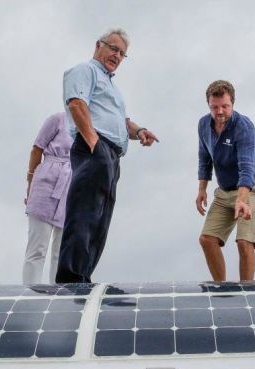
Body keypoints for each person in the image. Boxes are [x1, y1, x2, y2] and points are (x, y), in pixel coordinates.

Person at [56, 28, 159, 283]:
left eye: (122, 53)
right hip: (95, 149)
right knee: (84, 214)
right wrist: (93, 142)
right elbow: (76, 103)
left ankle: (84, 278)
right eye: (113, 48)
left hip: (112, 156)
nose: (117, 55)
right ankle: (70, 279)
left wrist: (141, 131)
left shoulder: (113, 88)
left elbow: (122, 122)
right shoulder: (85, 70)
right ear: (98, 45)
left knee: (100, 223)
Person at [196, 80, 255, 282]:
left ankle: (246, 291)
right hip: (225, 190)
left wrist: (242, 200)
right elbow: (204, 158)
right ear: (209, 105)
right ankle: (222, 289)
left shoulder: (243, 127)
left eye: (225, 106)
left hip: (252, 188)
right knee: (207, 239)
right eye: (215, 107)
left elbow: (247, 168)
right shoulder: (204, 124)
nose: (220, 111)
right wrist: (202, 189)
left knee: (243, 242)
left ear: (233, 104)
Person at [23, 112, 73, 284]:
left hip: (72, 189)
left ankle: (57, 300)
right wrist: (30, 184)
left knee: (62, 253)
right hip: (45, 184)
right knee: (37, 249)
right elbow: (36, 150)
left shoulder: (94, 125)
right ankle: (30, 295)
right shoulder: (58, 119)